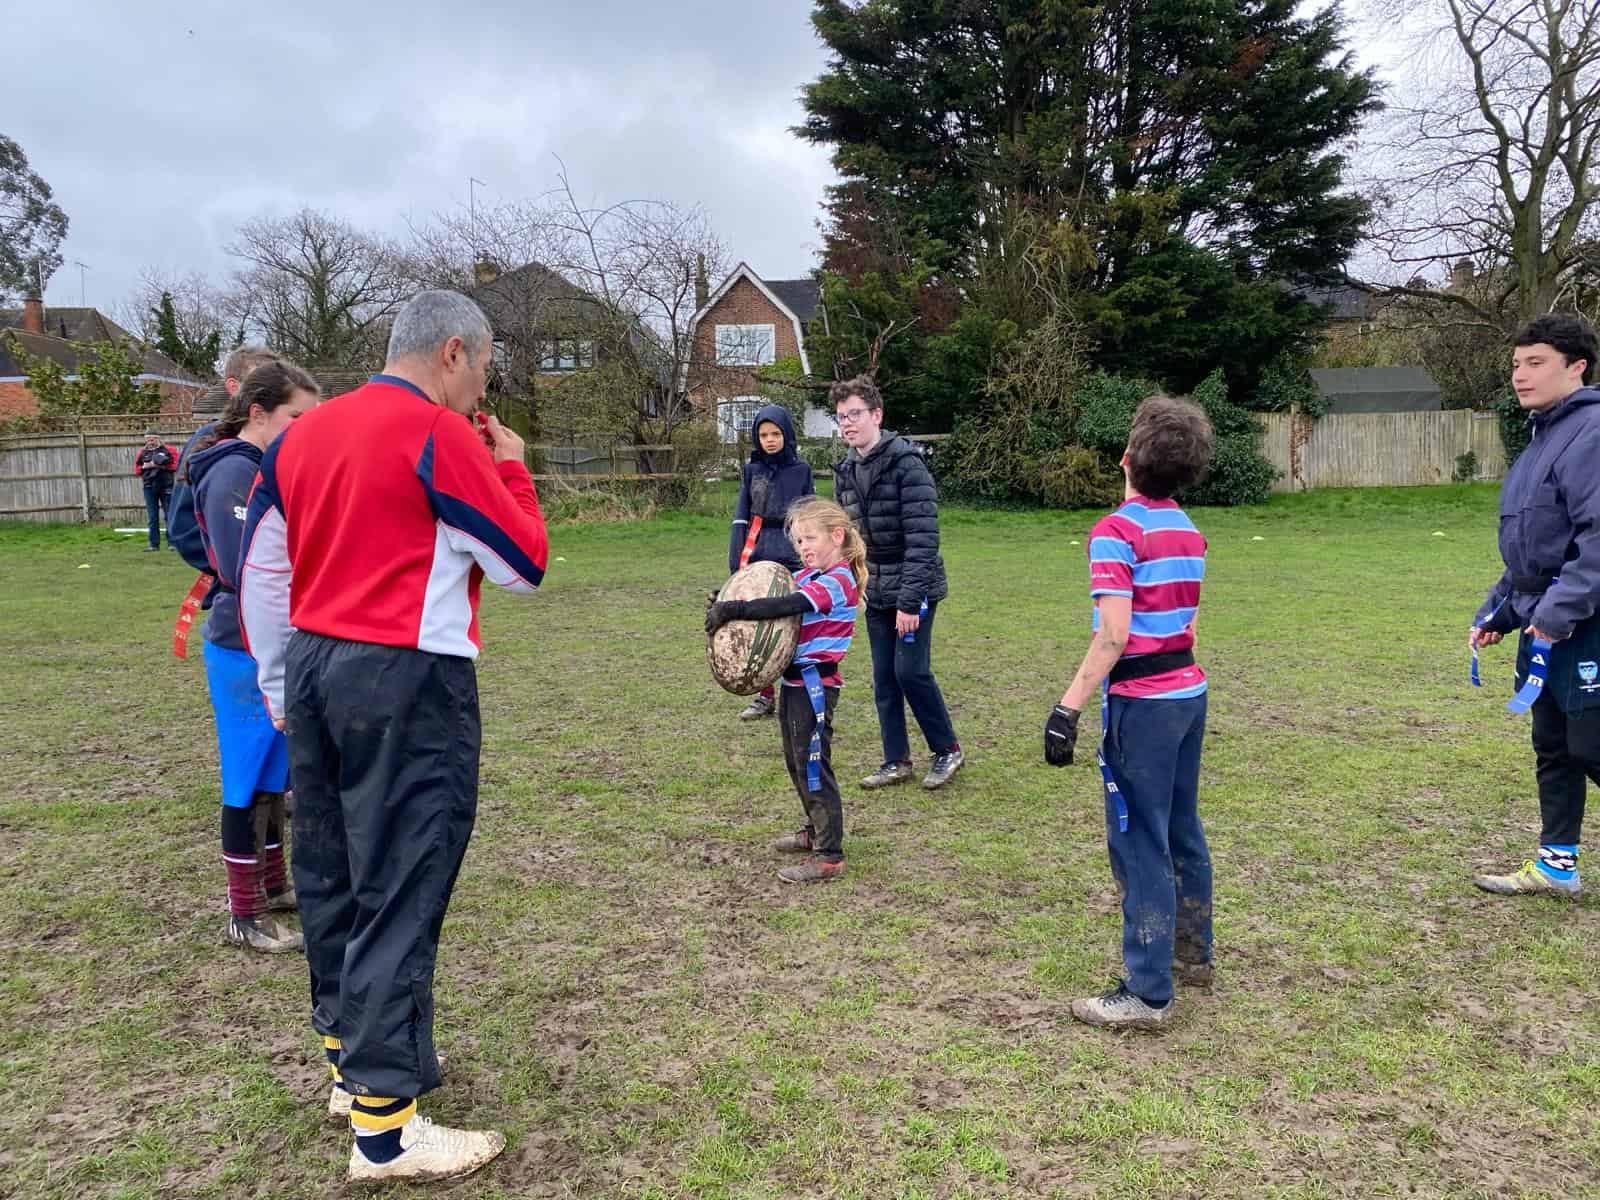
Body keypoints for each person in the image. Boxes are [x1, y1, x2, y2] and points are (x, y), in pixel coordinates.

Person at [238, 290, 548, 1185]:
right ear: (453, 351)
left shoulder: (301, 435)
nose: (482, 387)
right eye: (485, 366)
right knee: (404, 878)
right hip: (407, 676)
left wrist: (278, 676)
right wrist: (513, 471)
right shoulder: (439, 434)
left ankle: (348, 1060)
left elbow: (261, 558)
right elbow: (521, 562)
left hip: (314, 660)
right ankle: (385, 1128)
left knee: (330, 868)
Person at [1043, 394, 1215, 1032]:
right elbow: (1189, 617)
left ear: (1125, 460)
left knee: (1140, 840)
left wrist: (1068, 707)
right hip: (1188, 694)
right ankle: (1192, 954)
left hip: (1143, 707)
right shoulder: (1189, 529)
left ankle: (1147, 992)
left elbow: (1113, 633)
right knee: (1181, 827)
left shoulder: (1115, 532)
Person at [187, 361, 321, 953]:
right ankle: (243, 913)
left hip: (275, 637)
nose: (304, 430)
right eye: (296, 417)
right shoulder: (233, 474)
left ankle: (273, 884)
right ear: (258, 412)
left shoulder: (268, 468)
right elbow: (249, 566)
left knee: (274, 773)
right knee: (245, 778)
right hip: (241, 642)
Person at [1470, 314, 1600, 899]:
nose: (1520, 375)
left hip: (1585, 623)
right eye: (1517, 363)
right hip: (1544, 622)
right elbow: (1533, 546)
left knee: (1590, 745)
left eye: (1536, 362)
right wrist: (1500, 610)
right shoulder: (1540, 437)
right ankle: (1556, 865)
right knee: (1552, 746)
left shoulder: (1592, 431)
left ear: (1577, 367)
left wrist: (1556, 613)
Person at [707, 497, 865, 882]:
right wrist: (727, 602)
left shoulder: (839, 579)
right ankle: (815, 831)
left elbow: (789, 604)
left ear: (837, 536)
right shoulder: (809, 575)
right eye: (798, 542)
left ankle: (830, 856)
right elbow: (774, 602)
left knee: (813, 766)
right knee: (796, 762)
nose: (804, 548)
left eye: (810, 538)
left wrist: (736, 610)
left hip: (816, 686)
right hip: (792, 684)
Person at [830, 376, 964, 790]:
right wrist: (849, 585)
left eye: (855, 414)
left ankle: (947, 750)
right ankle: (896, 760)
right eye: (840, 417)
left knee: (911, 671)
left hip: (914, 583)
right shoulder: (846, 470)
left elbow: (923, 539)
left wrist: (910, 601)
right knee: (884, 676)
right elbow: (847, 539)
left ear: (877, 415)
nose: (848, 424)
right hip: (875, 587)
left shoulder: (908, 465)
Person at [726, 404, 815, 721]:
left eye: (775, 433)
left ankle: (798, 692)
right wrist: (736, 560)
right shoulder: (752, 471)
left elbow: (810, 515)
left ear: (786, 435)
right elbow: (741, 516)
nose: (769, 440)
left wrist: (810, 556)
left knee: (793, 623)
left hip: (792, 551)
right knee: (757, 623)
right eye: (763, 435)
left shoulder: (802, 470)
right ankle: (764, 695)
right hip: (758, 549)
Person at [171, 346, 281, 576]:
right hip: (235, 586)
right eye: (261, 386)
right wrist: (225, 570)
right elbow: (183, 529)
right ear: (233, 386)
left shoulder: (281, 437)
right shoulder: (210, 440)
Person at [132, 431, 178, 551]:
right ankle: (153, 544)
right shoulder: (142, 452)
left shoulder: (170, 450)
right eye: (148, 439)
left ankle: (172, 543)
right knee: (152, 517)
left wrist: (160, 465)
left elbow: (175, 465)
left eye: (152, 439)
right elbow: (137, 470)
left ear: (158, 438)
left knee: (169, 515)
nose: (150, 442)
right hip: (149, 487)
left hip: (166, 485)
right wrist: (144, 467)